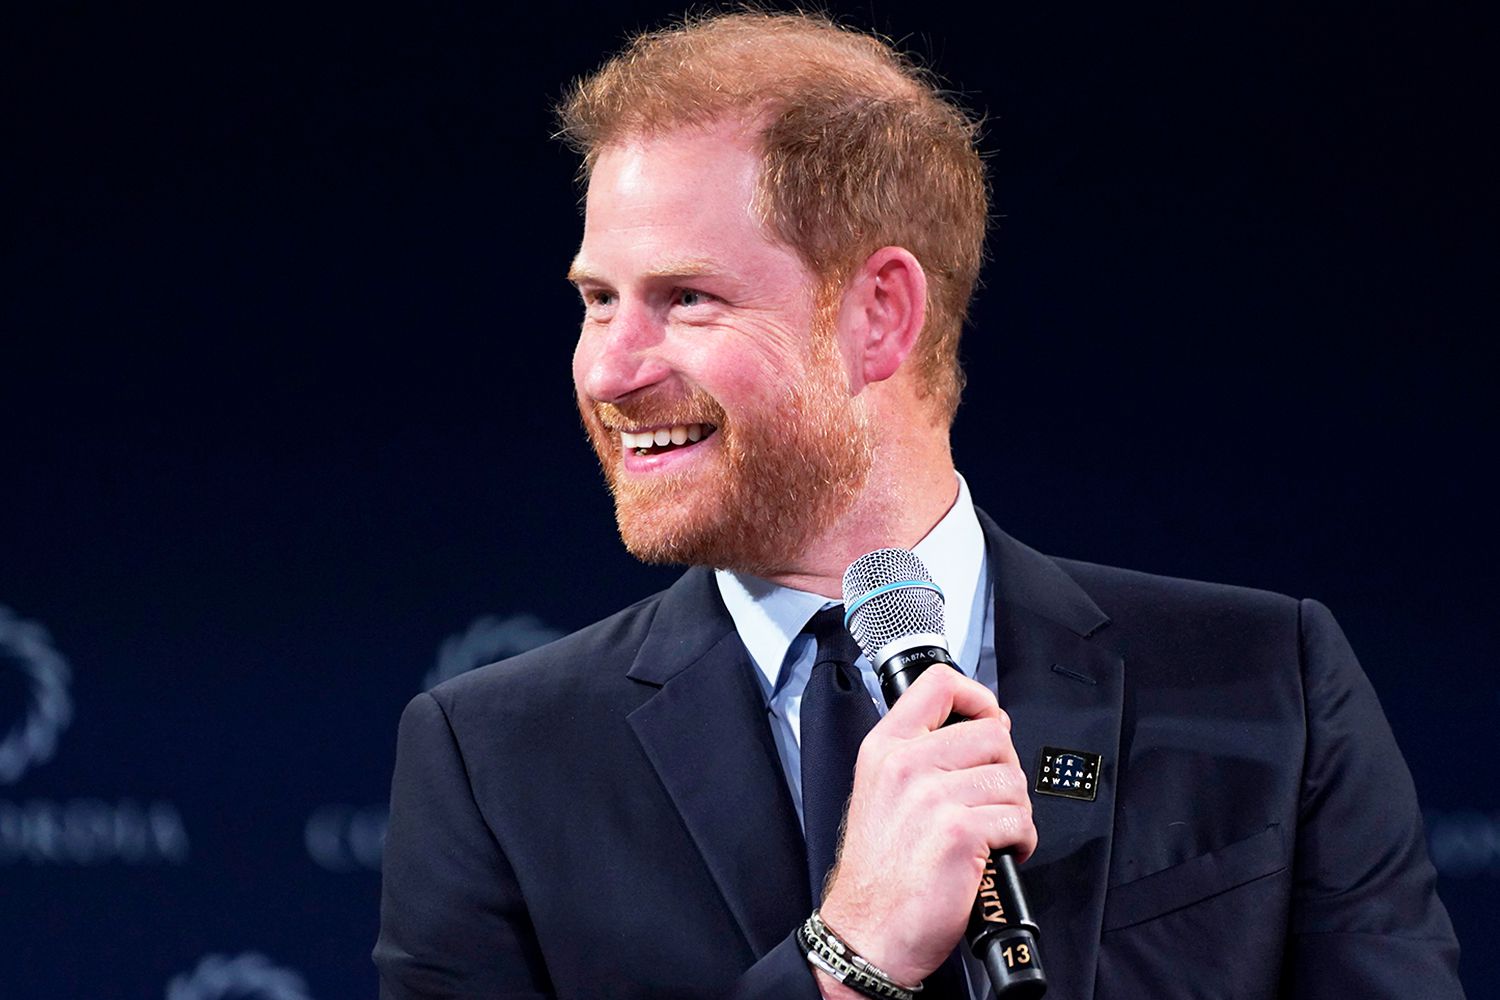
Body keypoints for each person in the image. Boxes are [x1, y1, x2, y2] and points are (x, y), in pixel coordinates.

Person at [373, 11, 1462, 999]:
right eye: (597, 300)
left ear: (880, 315)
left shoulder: (1271, 683)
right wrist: (848, 955)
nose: (609, 371)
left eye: (685, 298)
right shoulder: (495, 760)